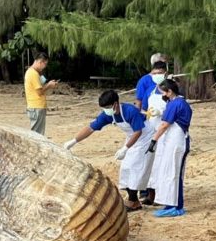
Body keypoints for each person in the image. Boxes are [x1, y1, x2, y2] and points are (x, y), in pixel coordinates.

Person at [63, 90, 156, 211]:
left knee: (135, 166)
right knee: (126, 167)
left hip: (145, 137)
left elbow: (138, 131)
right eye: (104, 108)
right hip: (132, 137)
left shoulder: (130, 111)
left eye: (108, 107)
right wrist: (73, 141)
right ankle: (134, 200)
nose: (106, 110)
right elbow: (91, 128)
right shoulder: (107, 114)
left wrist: (125, 148)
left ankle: (133, 200)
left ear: (116, 104)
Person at [146, 79, 193, 217]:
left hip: (177, 142)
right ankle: (169, 203)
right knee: (168, 172)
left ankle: (177, 206)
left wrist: (154, 140)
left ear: (169, 92)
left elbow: (164, 125)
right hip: (172, 142)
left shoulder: (176, 104)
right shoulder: (177, 102)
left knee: (174, 174)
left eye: (163, 93)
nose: (163, 95)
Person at [24, 52, 58, 135]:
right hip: (36, 107)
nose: (45, 66)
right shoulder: (33, 74)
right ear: (40, 62)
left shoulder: (33, 72)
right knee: (37, 134)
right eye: (45, 64)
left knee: (37, 132)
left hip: (35, 106)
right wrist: (49, 85)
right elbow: (39, 91)